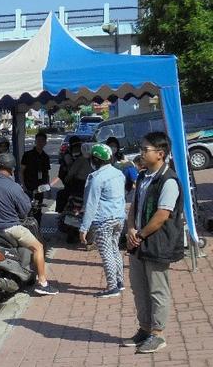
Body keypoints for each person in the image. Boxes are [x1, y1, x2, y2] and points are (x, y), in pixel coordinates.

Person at [122, 132, 183, 354]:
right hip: (138, 242)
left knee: (158, 290)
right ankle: (144, 329)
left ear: (160, 153)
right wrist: (130, 229)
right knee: (139, 289)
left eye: (145, 149)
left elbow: (162, 215)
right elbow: (135, 206)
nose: (141, 152)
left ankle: (158, 334)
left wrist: (139, 235)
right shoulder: (142, 176)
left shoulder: (169, 180)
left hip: (156, 243)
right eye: (142, 148)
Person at [0, 153, 59, 295]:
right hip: (9, 228)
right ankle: (43, 283)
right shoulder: (14, 187)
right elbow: (25, 209)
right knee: (38, 247)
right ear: (12, 169)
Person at [79, 144, 126, 298]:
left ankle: (112, 287)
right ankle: (120, 282)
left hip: (103, 220)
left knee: (106, 253)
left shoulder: (96, 178)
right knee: (115, 249)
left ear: (95, 159)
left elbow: (91, 204)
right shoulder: (119, 174)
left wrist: (84, 228)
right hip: (119, 218)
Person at [20, 131, 50, 223]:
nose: (40, 143)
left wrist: (48, 187)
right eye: (38, 140)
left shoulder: (45, 157)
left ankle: (37, 229)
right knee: (27, 209)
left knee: (38, 209)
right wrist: (23, 185)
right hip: (28, 186)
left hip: (40, 188)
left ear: (45, 142)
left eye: (42, 141)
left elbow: (47, 173)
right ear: (35, 141)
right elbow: (22, 171)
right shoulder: (28, 155)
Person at [56, 135, 82, 214]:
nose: (77, 148)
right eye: (75, 146)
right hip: (70, 187)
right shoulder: (67, 155)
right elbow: (62, 174)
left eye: (78, 146)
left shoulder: (84, 156)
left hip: (82, 188)